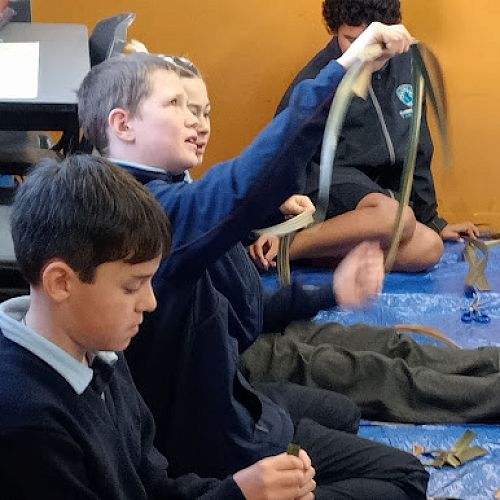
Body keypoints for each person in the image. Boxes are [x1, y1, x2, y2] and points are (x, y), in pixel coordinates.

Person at [78, 22, 429, 499]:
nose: (196, 121)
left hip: (229, 399)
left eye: (201, 109)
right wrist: (346, 67)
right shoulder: (148, 217)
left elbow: (242, 309)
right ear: (122, 125)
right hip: (216, 442)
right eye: (176, 104)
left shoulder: (147, 197)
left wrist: (329, 291)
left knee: (346, 411)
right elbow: (244, 183)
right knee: (405, 473)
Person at [0, 154, 317, 500]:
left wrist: (241, 487)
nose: (150, 302)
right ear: (61, 282)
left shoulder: (100, 351)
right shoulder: (28, 422)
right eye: (132, 286)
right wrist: (237, 495)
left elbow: (154, 485)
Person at [264, 0, 478, 272]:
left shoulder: (408, 64)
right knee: (397, 218)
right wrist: (280, 214)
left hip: (378, 202)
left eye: (375, 41)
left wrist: (432, 220)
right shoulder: (319, 77)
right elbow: (280, 153)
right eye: (351, 40)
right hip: (329, 189)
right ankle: (287, 246)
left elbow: (418, 147)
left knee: (430, 246)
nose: (363, 52)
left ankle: (306, 252)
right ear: (335, 30)